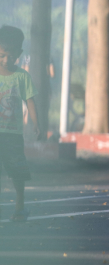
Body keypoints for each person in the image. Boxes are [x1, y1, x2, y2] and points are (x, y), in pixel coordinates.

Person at [0, 25, 41, 222]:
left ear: (19, 53)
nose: (6, 60)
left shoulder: (22, 77)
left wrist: (36, 123)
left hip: (13, 135)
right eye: (2, 55)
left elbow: (30, 100)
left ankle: (20, 205)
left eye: (11, 56)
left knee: (17, 170)